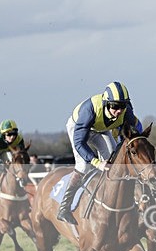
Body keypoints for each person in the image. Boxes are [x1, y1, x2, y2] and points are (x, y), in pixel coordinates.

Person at [57, 81, 141, 225]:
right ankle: (64, 208)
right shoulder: (89, 111)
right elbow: (79, 143)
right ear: (107, 103)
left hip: (101, 128)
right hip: (80, 128)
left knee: (114, 163)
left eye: (122, 106)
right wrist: (97, 162)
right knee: (84, 166)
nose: (119, 110)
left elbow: (137, 128)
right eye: (115, 106)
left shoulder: (126, 111)